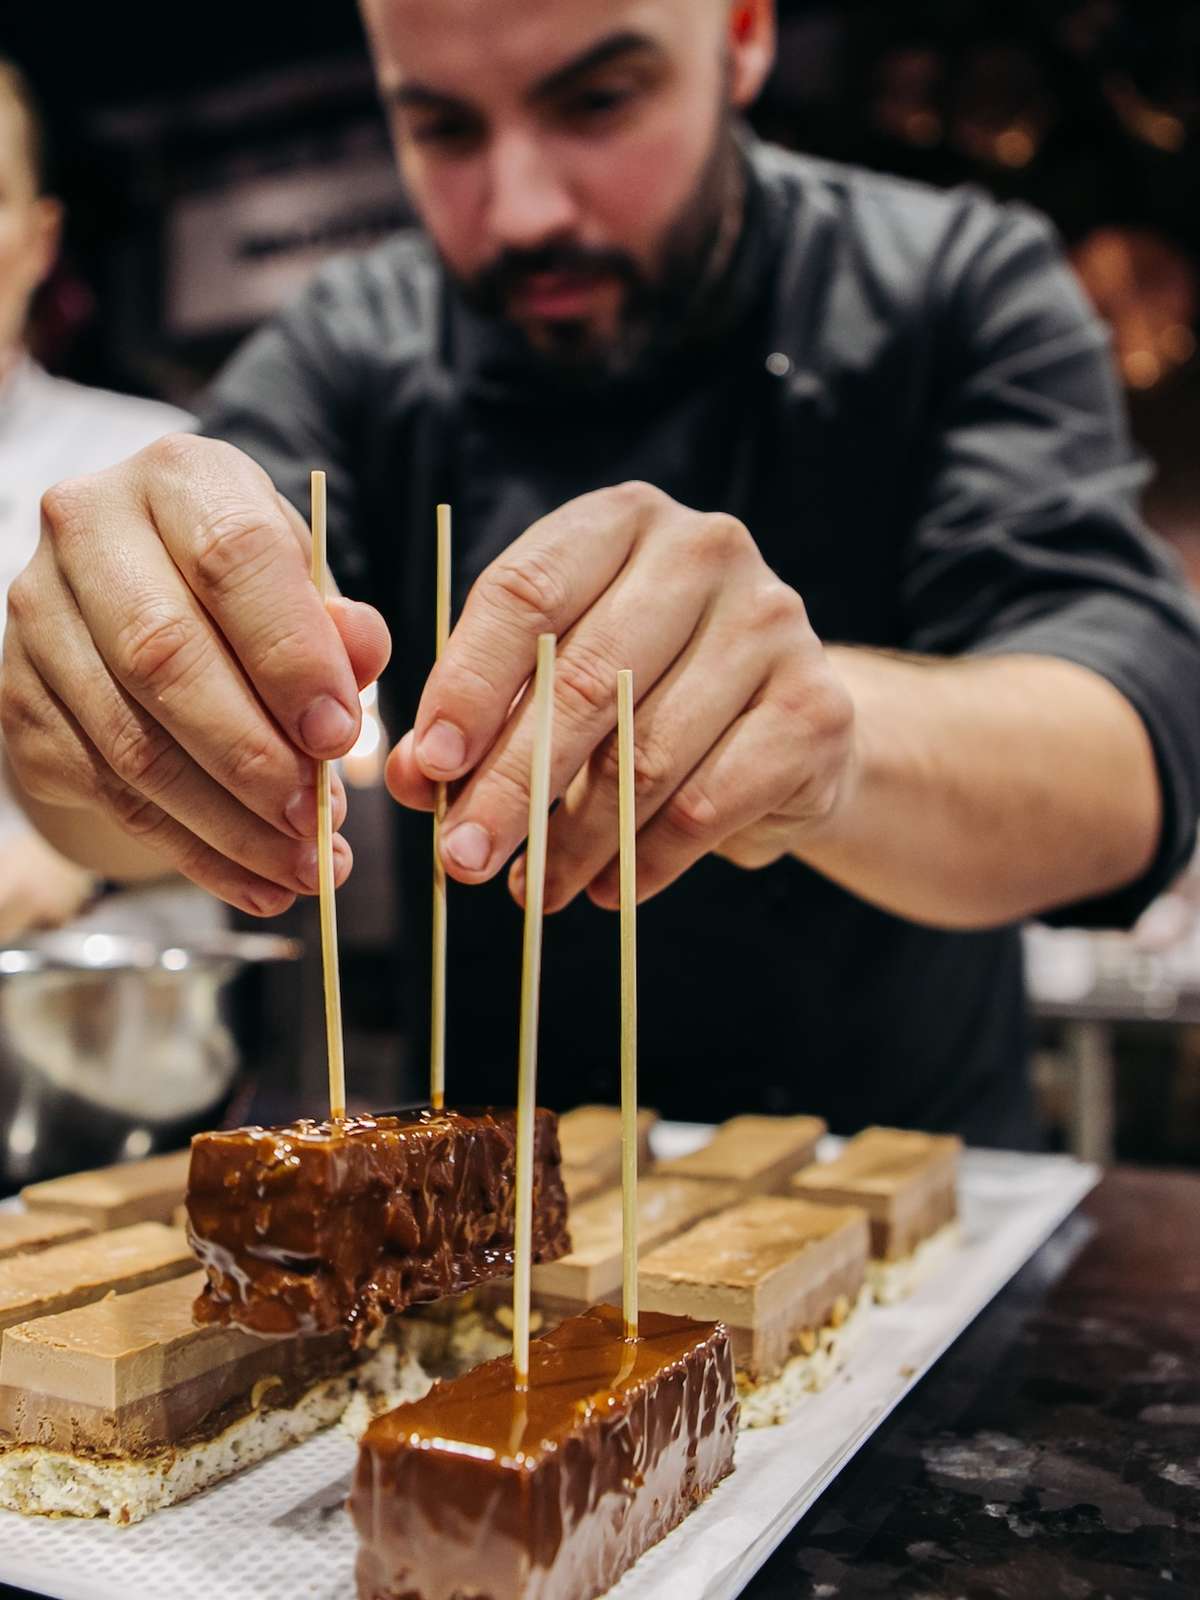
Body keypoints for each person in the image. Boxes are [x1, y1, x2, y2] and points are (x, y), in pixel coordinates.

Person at [4, 0, 1200, 1146]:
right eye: (443, 127)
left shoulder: (957, 282)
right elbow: (108, 807)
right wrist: (99, 711)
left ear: (742, 35)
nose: (521, 211)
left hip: (925, 1231)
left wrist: (825, 735)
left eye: (600, 100)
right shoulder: (349, 344)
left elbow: (1133, 768)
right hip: (489, 1248)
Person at [0, 58, 193, 940]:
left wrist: (74, 867)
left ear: (40, 242)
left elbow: (308, 774)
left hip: (107, 1041)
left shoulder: (160, 460)